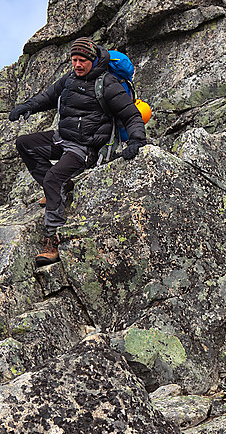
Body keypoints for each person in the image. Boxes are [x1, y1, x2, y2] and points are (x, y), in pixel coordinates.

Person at [9, 37, 147, 267]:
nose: (77, 64)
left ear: (92, 59)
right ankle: (59, 188)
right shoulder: (70, 78)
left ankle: (53, 238)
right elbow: (48, 97)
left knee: (53, 178)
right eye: (74, 60)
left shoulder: (108, 83)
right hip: (63, 138)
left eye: (82, 60)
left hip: (85, 148)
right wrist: (28, 106)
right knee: (25, 144)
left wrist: (137, 140)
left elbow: (130, 114)